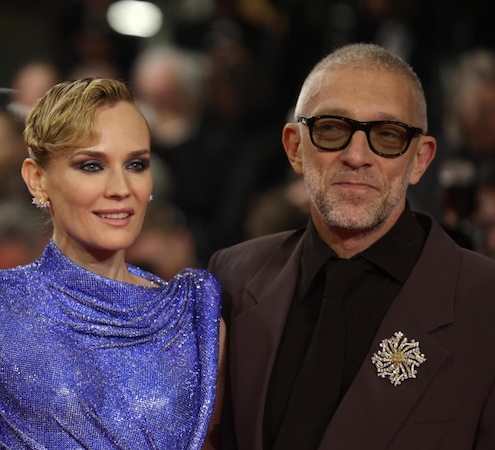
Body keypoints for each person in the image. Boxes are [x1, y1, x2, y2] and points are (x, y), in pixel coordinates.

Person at [208, 42, 495, 450]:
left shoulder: (484, 302)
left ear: (420, 160)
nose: (357, 156)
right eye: (331, 129)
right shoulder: (233, 276)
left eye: (388, 135)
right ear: (294, 147)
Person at [0, 78, 225, 449]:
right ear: (37, 179)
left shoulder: (194, 319)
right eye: (91, 165)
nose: (121, 188)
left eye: (136, 164)